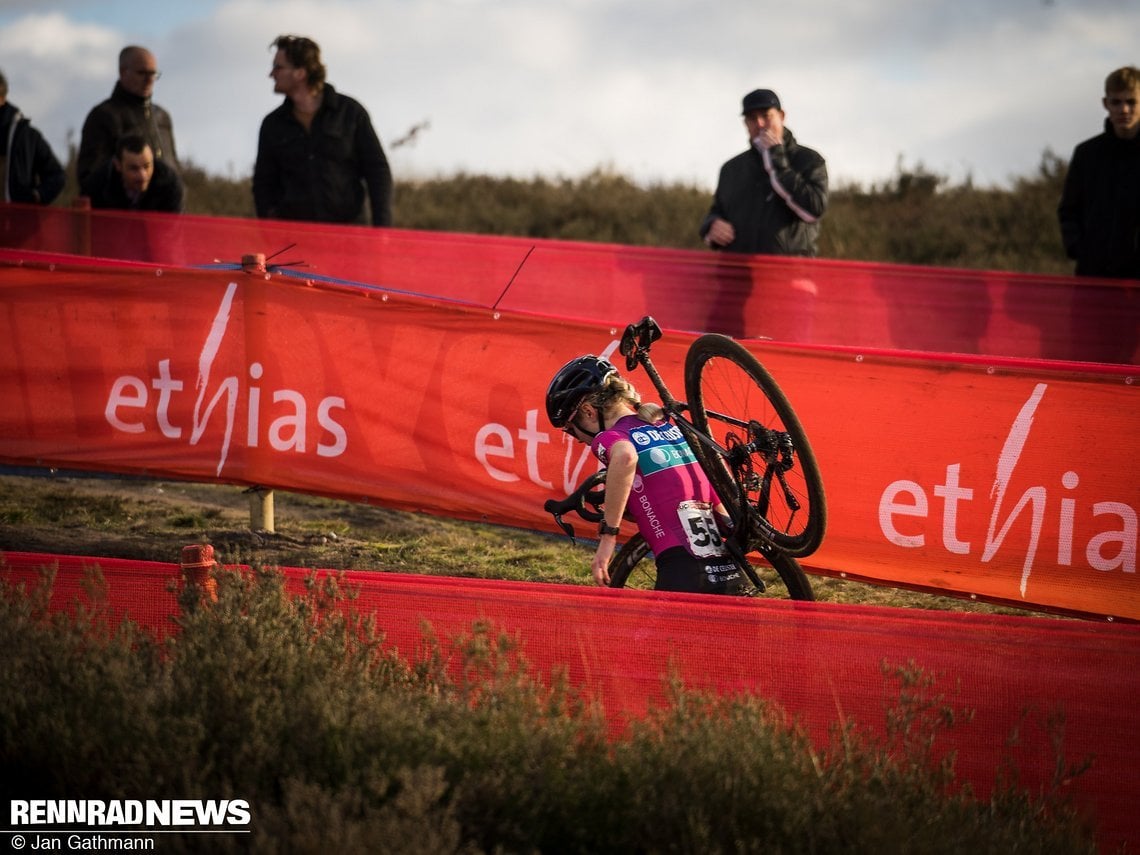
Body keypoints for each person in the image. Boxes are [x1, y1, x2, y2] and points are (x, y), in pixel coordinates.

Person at [545, 355, 746, 595]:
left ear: (588, 412)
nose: (576, 438)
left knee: (644, 634)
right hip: (729, 569)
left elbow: (625, 457)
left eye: (569, 429)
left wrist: (608, 538)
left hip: (682, 570)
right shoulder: (667, 428)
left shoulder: (610, 436)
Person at [253, 35, 393, 226]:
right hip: (293, 241)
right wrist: (270, 226)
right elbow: (263, 184)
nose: (272, 74)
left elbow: (378, 171)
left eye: (279, 67)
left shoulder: (351, 113)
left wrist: (382, 230)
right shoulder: (272, 124)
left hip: (351, 238)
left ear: (300, 73)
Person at [1057, 66, 1139, 364]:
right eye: (1116, 102)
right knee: (1088, 364)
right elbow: (1068, 210)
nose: (1124, 109)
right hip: (1093, 284)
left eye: (1131, 101)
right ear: (1105, 103)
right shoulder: (1088, 154)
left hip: (1136, 289)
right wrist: (1080, 248)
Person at [700, 88, 828, 256]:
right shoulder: (731, 169)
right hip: (737, 275)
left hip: (790, 274)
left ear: (781, 116)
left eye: (766, 116)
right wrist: (711, 226)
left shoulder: (809, 160)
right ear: (745, 124)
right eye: (752, 119)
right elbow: (717, 211)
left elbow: (813, 210)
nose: (759, 124)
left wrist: (776, 159)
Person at [77, 46, 179, 186]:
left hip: (167, 206)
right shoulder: (103, 116)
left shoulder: (162, 117)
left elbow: (174, 169)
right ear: (123, 72)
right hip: (125, 207)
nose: (149, 80)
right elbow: (90, 177)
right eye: (142, 73)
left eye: (153, 74)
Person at [0, 70, 65, 205]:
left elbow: (57, 175)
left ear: (2, 98)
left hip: (17, 222)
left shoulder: (26, 137)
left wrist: (37, 195)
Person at [80, 133, 184, 212]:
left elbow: (172, 232)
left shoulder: (169, 185)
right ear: (118, 165)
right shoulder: (97, 186)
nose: (142, 176)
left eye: (147, 166)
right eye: (134, 168)